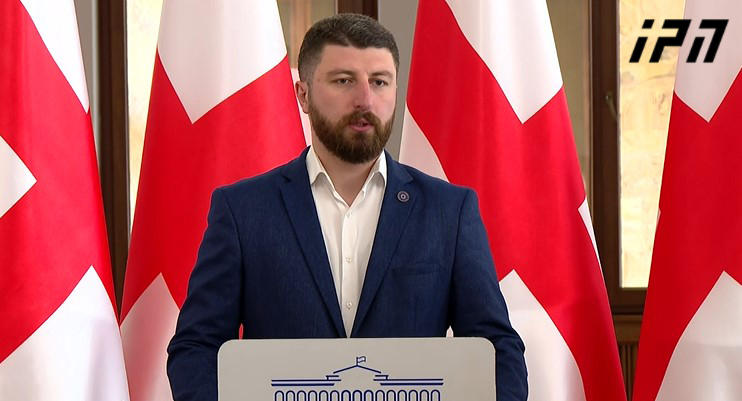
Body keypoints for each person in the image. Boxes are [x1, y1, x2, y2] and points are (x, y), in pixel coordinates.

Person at [167, 13, 527, 401]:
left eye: (380, 82)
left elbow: (498, 351)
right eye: (344, 81)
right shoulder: (242, 211)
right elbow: (195, 348)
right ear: (303, 94)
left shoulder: (450, 211)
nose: (365, 100)